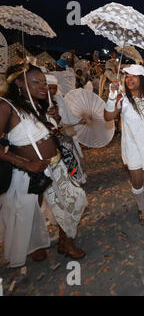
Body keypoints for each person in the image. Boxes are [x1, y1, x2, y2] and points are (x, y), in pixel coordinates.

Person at [0, 63, 88, 267]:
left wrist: (51, 124)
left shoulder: (34, 105)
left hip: (55, 166)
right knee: (28, 211)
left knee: (75, 200)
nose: (43, 86)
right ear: (19, 83)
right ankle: (35, 246)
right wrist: (25, 163)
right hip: (28, 173)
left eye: (43, 81)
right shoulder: (6, 106)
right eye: (36, 82)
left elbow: (41, 135)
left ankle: (66, 241)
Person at [104, 64, 144, 226]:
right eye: (127, 76)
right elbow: (108, 116)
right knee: (137, 181)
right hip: (132, 147)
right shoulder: (122, 99)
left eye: (134, 76)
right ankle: (141, 208)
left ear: (142, 79)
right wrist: (112, 94)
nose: (129, 79)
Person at [46, 74, 87, 185]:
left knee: (70, 159)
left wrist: (78, 120)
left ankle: (74, 179)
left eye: (54, 87)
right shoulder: (38, 102)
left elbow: (68, 115)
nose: (52, 90)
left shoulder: (60, 98)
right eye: (49, 87)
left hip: (63, 136)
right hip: (48, 139)